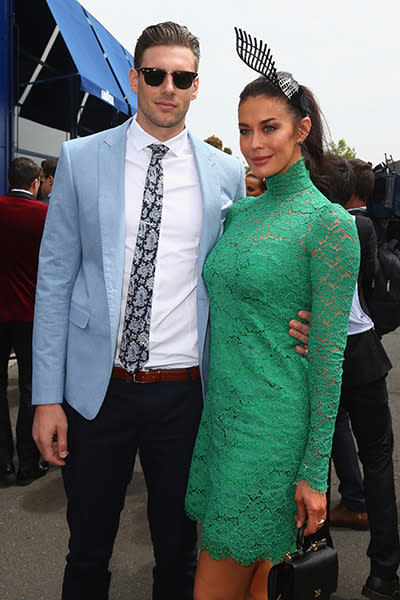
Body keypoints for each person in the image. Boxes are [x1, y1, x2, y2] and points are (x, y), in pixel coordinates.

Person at [31, 22, 310, 600]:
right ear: (135, 78)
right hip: (94, 392)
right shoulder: (81, 159)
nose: (167, 87)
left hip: (186, 396)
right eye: (155, 74)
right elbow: (55, 280)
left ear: (196, 86)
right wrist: (45, 397)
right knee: (86, 552)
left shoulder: (229, 175)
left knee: (178, 556)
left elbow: (262, 261)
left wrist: (298, 319)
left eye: (181, 77)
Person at [185, 30, 360, 600]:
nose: (253, 143)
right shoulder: (239, 214)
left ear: (301, 130)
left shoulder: (329, 225)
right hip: (223, 421)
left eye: (269, 127)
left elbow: (329, 358)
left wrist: (314, 473)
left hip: (275, 431)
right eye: (243, 128)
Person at [325, 156, 400, 600]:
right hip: (363, 350)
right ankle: (383, 573)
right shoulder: (363, 228)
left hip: (321, 352)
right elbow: (370, 282)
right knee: (378, 458)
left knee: (316, 457)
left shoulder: (310, 224)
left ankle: (317, 562)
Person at [0, 157, 49, 486]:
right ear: (36, 182)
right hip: (32, 316)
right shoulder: (45, 215)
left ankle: (2, 462)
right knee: (31, 390)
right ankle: (28, 463)